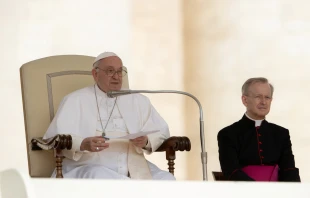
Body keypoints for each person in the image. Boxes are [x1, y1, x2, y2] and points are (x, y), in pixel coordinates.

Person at [43, 52, 175, 180]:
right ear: (95, 74)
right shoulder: (75, 100)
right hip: (88, 164)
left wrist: (146, 141)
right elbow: (54, 138)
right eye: (110, 71)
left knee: (166, 179)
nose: (116, 77)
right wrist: (82, 144)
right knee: (99, 176)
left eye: (119, 71)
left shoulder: (138, 100)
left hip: (133, 166)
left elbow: (161, 131)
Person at [217, 77, 300, 181]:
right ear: (245, 100)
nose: (263, 102)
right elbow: (231, 171)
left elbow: (289, 169)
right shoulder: (228, 134)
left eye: (267, 97)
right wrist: (258, 190)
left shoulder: (281, 133)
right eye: (258, 97)